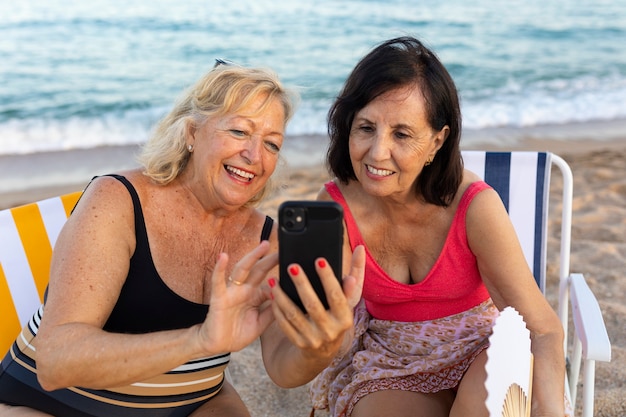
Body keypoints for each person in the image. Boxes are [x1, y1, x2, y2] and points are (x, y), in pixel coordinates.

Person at [0, 61, 365, 417]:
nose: (255, 156)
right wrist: (201, 340)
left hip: (189, 401)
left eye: (272, 144)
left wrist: (321, 346)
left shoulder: (268, 240)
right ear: (191, 133)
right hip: (42, 403)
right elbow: (56, 363)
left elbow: (282, 368)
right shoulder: (119, 200)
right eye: (239, 132)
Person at [308, 37, 566, 417]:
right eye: (365, 127)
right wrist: (329, 324)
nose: (377, 152)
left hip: (482, 347)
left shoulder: (475, 206)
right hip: (392, 359)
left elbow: (543, 330)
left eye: (401, 134)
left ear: (436, 142)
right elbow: (331, 334)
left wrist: (552, 412)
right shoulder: (335, 209)